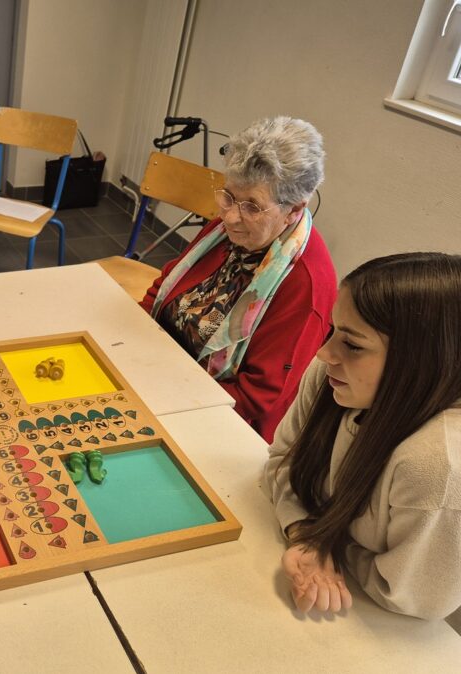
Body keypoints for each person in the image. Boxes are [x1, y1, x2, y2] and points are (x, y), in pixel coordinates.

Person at [263, 253, 461, 673]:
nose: (323, 353)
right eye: (334, 330)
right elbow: (282, 461)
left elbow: (410, 598)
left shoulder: (450, 468)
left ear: (426, 358)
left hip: (453, 644)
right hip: (375, 598)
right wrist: (306, 535)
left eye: (351, 343)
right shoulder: (337, 382)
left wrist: (329, 544)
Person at [141, 116, 336, 443]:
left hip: (218, 419)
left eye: (252, 206)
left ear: (293, 209)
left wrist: (163, 399)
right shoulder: (227, 231)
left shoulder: (304, 284)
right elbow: (165, 287)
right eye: (228, 197)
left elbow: (255, 397)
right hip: (159, 369)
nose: (229, 216)